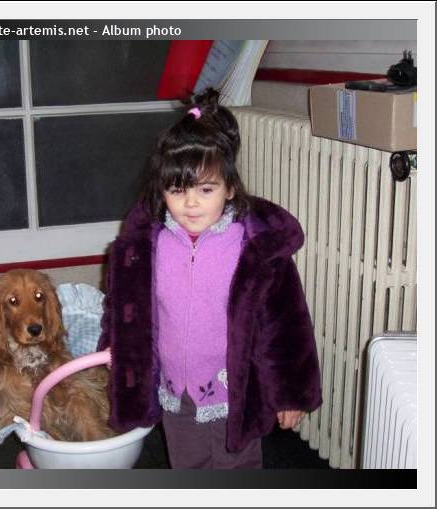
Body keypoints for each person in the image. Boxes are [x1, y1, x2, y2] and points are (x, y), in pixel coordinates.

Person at [97, 88, 322, 469]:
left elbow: (287, 326)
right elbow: (122, 307)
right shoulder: (147, 247)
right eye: (177, 189)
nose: (190, 203)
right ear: (161, 190)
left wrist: (291, 393)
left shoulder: (254, 249)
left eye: (206, 189)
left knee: (238, 467)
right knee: (188, 464)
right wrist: (115, 346)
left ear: (230, 188)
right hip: (175, 391)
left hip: (234, 391)